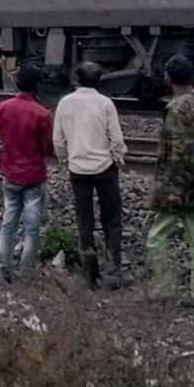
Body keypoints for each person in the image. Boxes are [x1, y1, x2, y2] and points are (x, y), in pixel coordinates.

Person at [143, 55, 194, 307]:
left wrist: (175, 189)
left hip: (180, 188)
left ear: (168, 77)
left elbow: (180, 151)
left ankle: (163, 287)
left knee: (156, 237)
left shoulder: (177, 108)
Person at [54, 61, 129, 290]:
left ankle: (91, 274)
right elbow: (116, 139)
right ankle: (113, 270)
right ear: (99, 80)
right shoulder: (106, 104)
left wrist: (65, 159)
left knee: (84, 221)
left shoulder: (64, 103)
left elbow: (57, 139)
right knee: (112, 221)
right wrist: (119, 158)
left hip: (78, 170)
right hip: (105, 168)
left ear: (76, 79)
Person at [0, 64, 53, 281]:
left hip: (10, 174)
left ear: (17, 83)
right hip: (34, 176)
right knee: (32, 227)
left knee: (8, 221)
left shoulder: (1, 108)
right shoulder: (42, 114)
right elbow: (48, 148)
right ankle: (27, 271)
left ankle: (5, 267)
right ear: (36, 86)